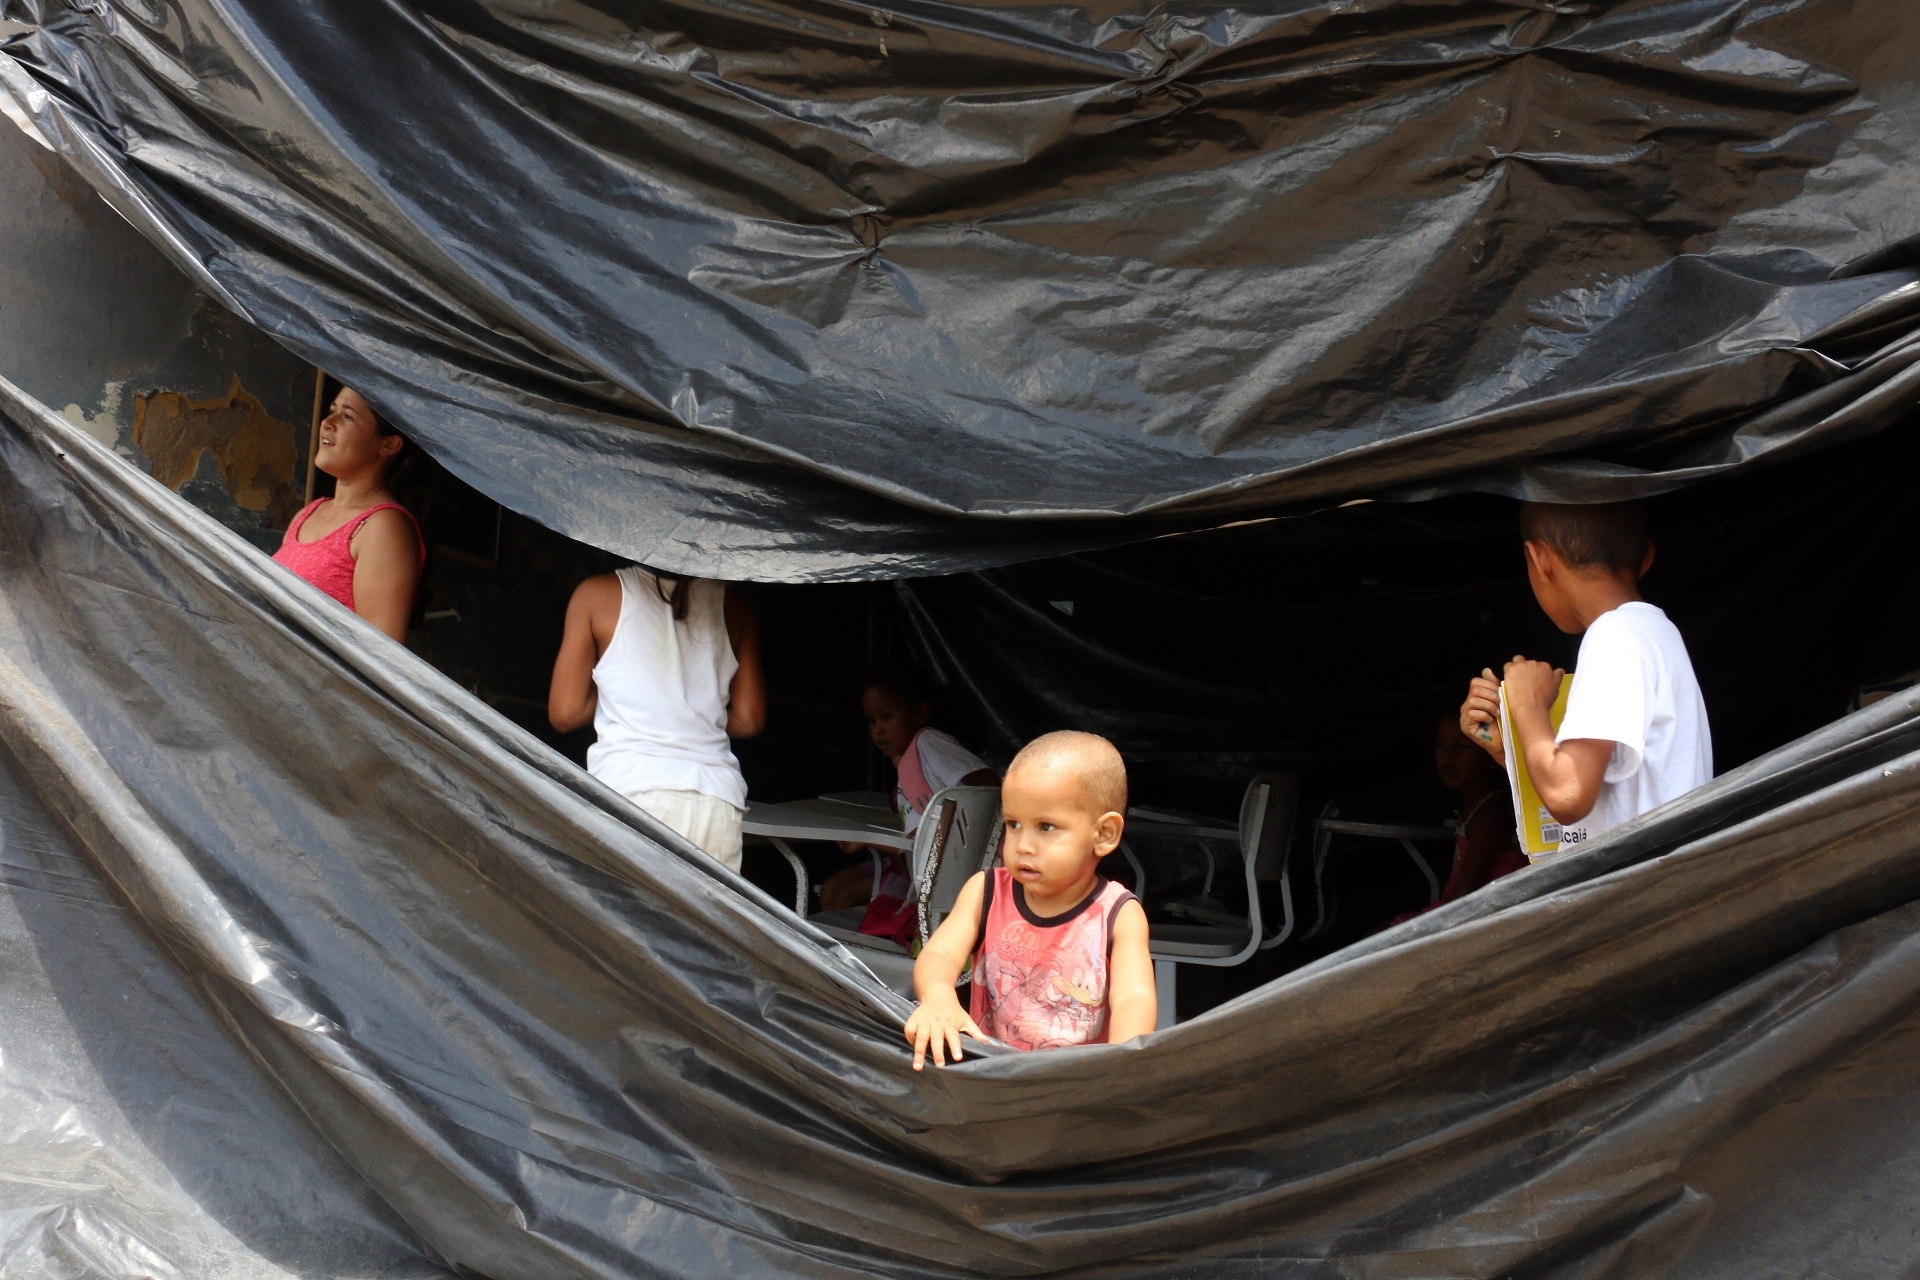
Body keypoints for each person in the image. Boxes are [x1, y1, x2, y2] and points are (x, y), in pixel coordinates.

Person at [1459, 500, 1711, 849]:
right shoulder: (1652, 632)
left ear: (1539, 559)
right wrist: (1509, 751)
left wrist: (1528, 707)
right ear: (1646, 557)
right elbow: (1603, 793)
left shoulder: (1614, 636)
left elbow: (1567, 795)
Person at [903, 731, 1155, 1069]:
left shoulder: (1118, 914)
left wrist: (1121, 1065)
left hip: (1073, 1090)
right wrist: (937, 996)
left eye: (1046, 827)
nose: (1022, 844)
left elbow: (1133, 999)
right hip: (990, 1076)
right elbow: (940, 953)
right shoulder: (985, 891)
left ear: (1104, 834)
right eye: (1014, 824)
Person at [548, 567, 766, 871]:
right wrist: (690, 714)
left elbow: (565, 714)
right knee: (700, 920)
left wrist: (623, 692)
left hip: (630, 791)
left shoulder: (595, 595)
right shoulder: (735, 607)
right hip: (714, 800)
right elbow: (749, 719)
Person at [817, 666, 997, 939]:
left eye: (887, 717)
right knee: (835, 890)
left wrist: (864, 839)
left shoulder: (928, 743)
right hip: (935, 878)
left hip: (950, 883)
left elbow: (991, 783)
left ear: (920, 713)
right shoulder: (910, 759)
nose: (878, 730)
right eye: (872, 720)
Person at [272, 387, 422, 641]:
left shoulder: (383, 527)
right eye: (333, 411)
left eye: (347, 416)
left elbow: (380, 655)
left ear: (389, 444)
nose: (328, 423)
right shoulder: (309, 513)